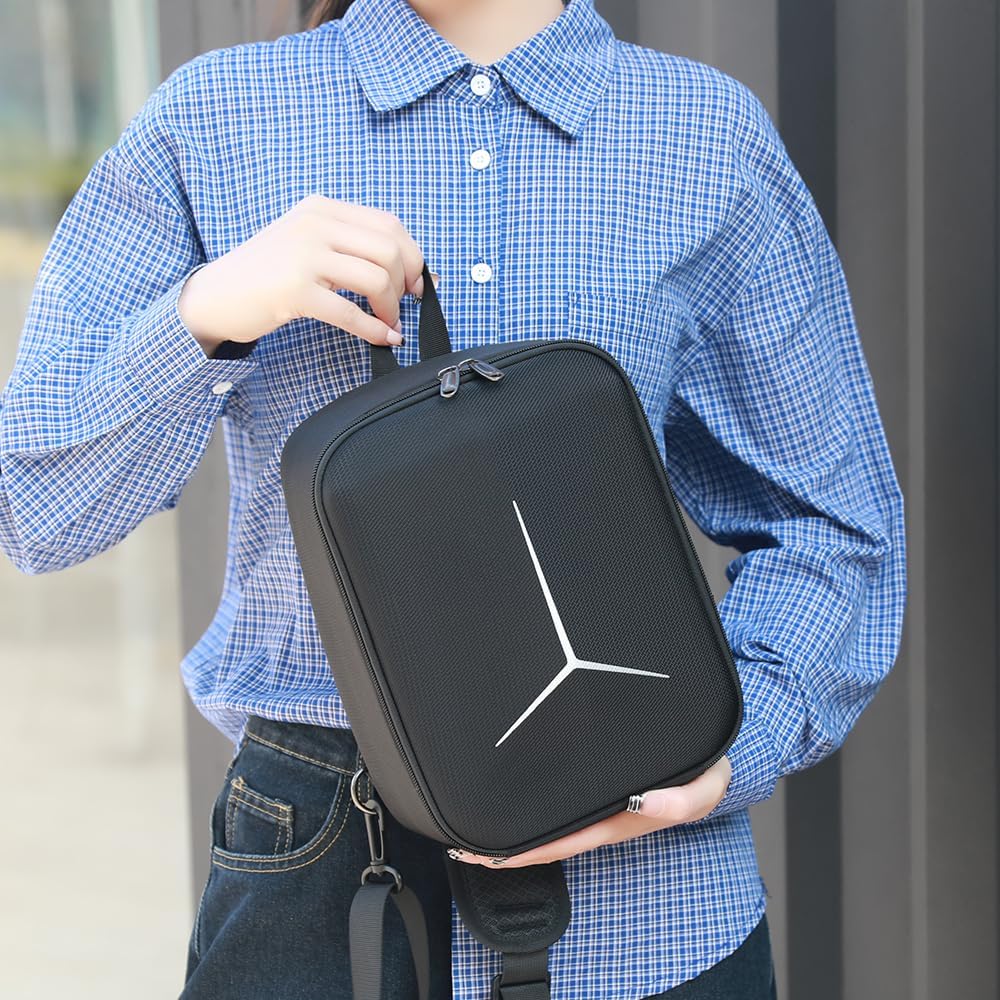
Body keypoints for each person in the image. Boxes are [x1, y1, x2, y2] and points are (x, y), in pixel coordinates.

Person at [0, 0, 907, 997]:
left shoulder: (702, 133)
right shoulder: (215, 117)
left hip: (650, 893)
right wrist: (210, 311)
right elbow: (37, 507)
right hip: (321, 881)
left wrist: (727, 748)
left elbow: (835, 528)